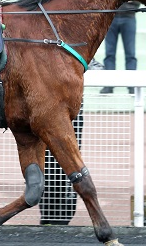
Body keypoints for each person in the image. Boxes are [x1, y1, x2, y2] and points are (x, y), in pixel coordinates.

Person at [40, 58, 104, 225]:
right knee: (48, 162)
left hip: (70, 114)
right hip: (46, 113)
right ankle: (50, 214)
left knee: (68, 161)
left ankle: (61, 213)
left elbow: (98, 69)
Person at [100, 0, 140, 94]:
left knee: (130, 54)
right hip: (110, 17)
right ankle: (109, 85)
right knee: (109, 54)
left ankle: (131, 85)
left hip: (129, 17)